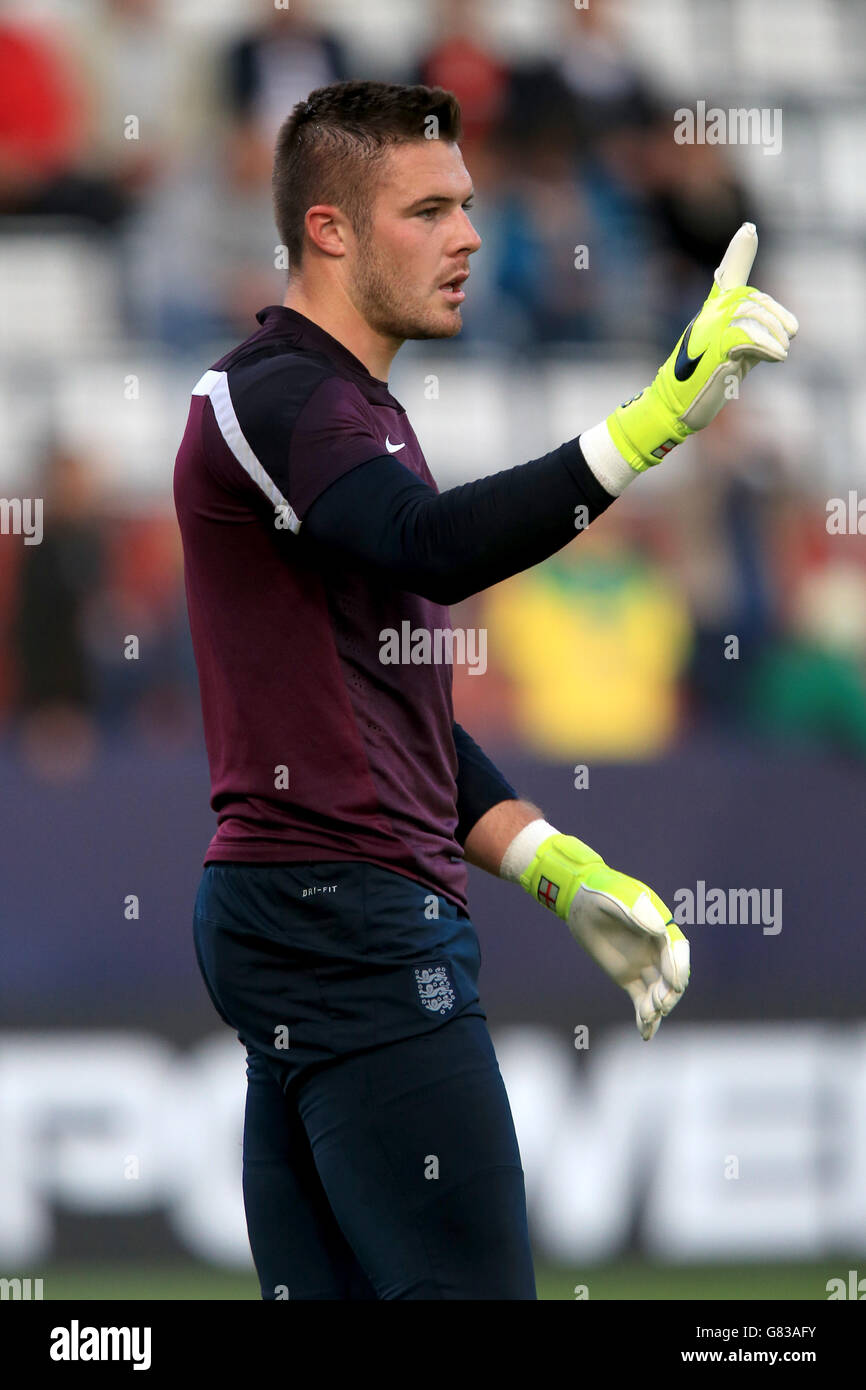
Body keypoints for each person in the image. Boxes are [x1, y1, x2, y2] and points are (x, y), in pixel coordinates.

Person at [173, 80, 796, 1300]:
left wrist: (557, 867)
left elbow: (393, 714)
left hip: (305, 913)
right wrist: (655, 420)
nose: (469, 234)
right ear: (329, 230)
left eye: (467, 203)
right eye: (428, 209)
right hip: (344, 915)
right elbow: (436, 544)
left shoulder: (346, 409)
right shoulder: (276, 393)